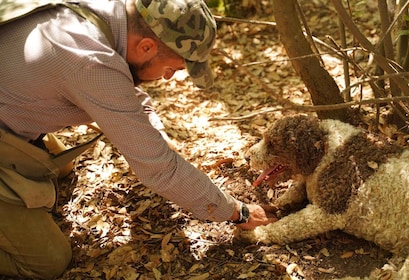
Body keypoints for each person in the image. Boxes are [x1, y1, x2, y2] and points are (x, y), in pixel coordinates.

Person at [0, 0, 276, 278]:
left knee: (60, 167)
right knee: (47, 263)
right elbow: (159, 170)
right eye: (173, 69)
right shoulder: (89, 61)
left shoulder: (106, 15)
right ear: (146, 47)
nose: (168, 77)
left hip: (11, 119)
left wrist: (155, 133)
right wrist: (237, 212)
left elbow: (125, 91)